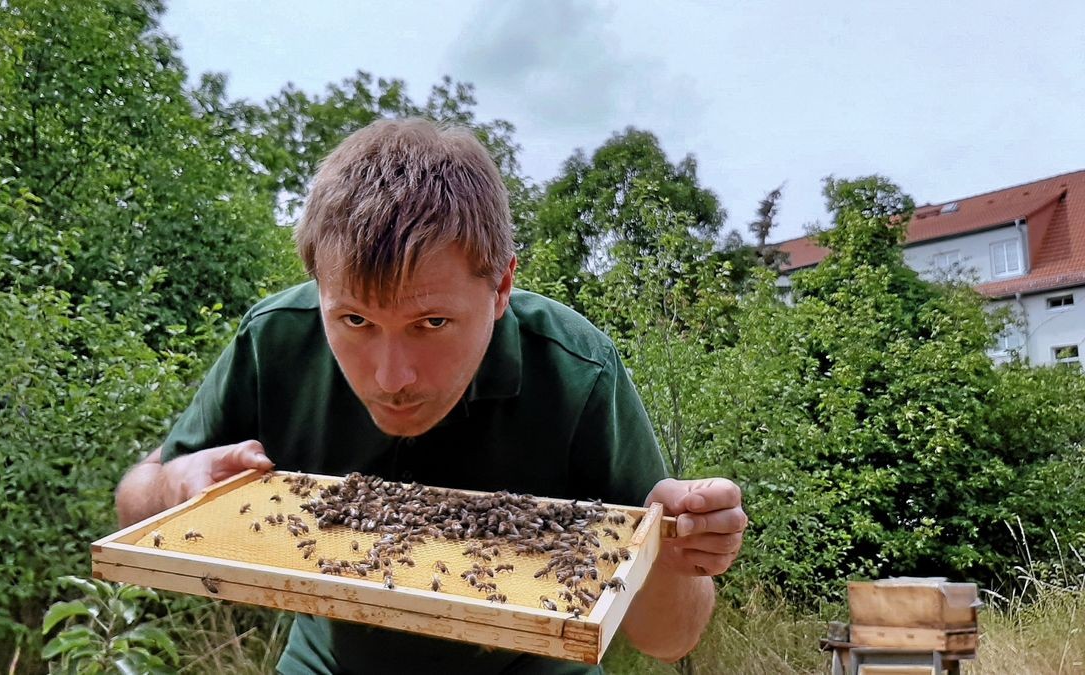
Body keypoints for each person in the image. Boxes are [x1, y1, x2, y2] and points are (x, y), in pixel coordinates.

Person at [115, 118, 746, 674]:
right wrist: (170, 487)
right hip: (330, 661)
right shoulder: (274, 339)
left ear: (500, 288)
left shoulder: (577, 370)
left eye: (431, 324)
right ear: (317, 287)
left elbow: (670, 639)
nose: (392, 378)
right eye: (356, 321)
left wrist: (672, 551)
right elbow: (133, 509)